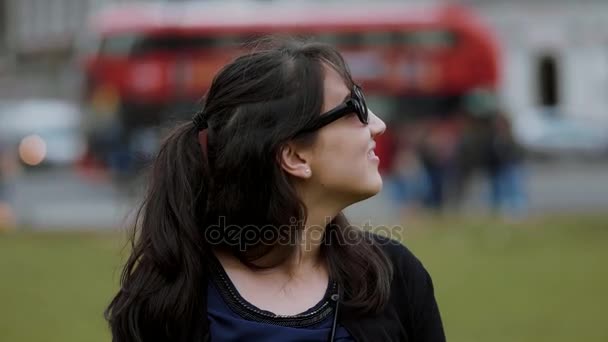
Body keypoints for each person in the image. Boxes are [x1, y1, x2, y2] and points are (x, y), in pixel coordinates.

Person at [105, 37, 445, 342]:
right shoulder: (171, 302)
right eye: (354, 106)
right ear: (295, 156)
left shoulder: (395, 276)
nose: (378, 125)